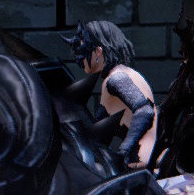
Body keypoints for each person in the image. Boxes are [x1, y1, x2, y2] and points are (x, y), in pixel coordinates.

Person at [67, 19, 158, 167]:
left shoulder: (116, 79)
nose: (79, 60)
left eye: (83, 53)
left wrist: (125, 150)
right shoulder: (123, 74)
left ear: (98, 51)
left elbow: (145, 110)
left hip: (137, 165)